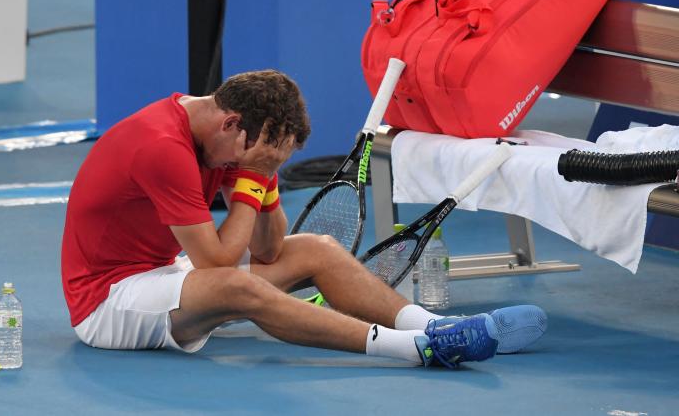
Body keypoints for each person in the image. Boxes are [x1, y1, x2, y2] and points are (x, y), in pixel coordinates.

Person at [61, 69, 547, 368]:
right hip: (107, 304)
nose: (247, 163)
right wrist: (251, 174)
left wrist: (262, 178)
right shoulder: (161, 148)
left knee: (317, 249)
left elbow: (269, 250)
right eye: (257, 154)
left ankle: (436, 326)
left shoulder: (227, 137)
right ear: (233, 124)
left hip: (166, 275)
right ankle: (416, 348)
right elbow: (217, 265)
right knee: (238, 287)